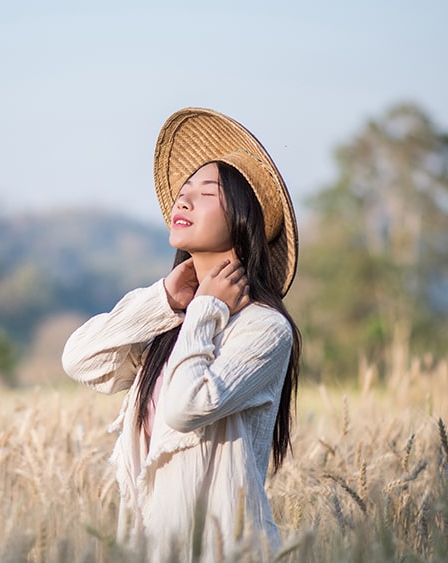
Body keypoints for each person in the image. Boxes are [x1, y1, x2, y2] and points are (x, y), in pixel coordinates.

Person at [62, 107, 302, 561]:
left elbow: (186, 407)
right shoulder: (171, 321)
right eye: (183, 190)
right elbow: (80, 359)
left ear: (244, 218)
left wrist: (207, 309)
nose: (183, 201)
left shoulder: (265, 329)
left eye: (205, 193)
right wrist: (166, 302)